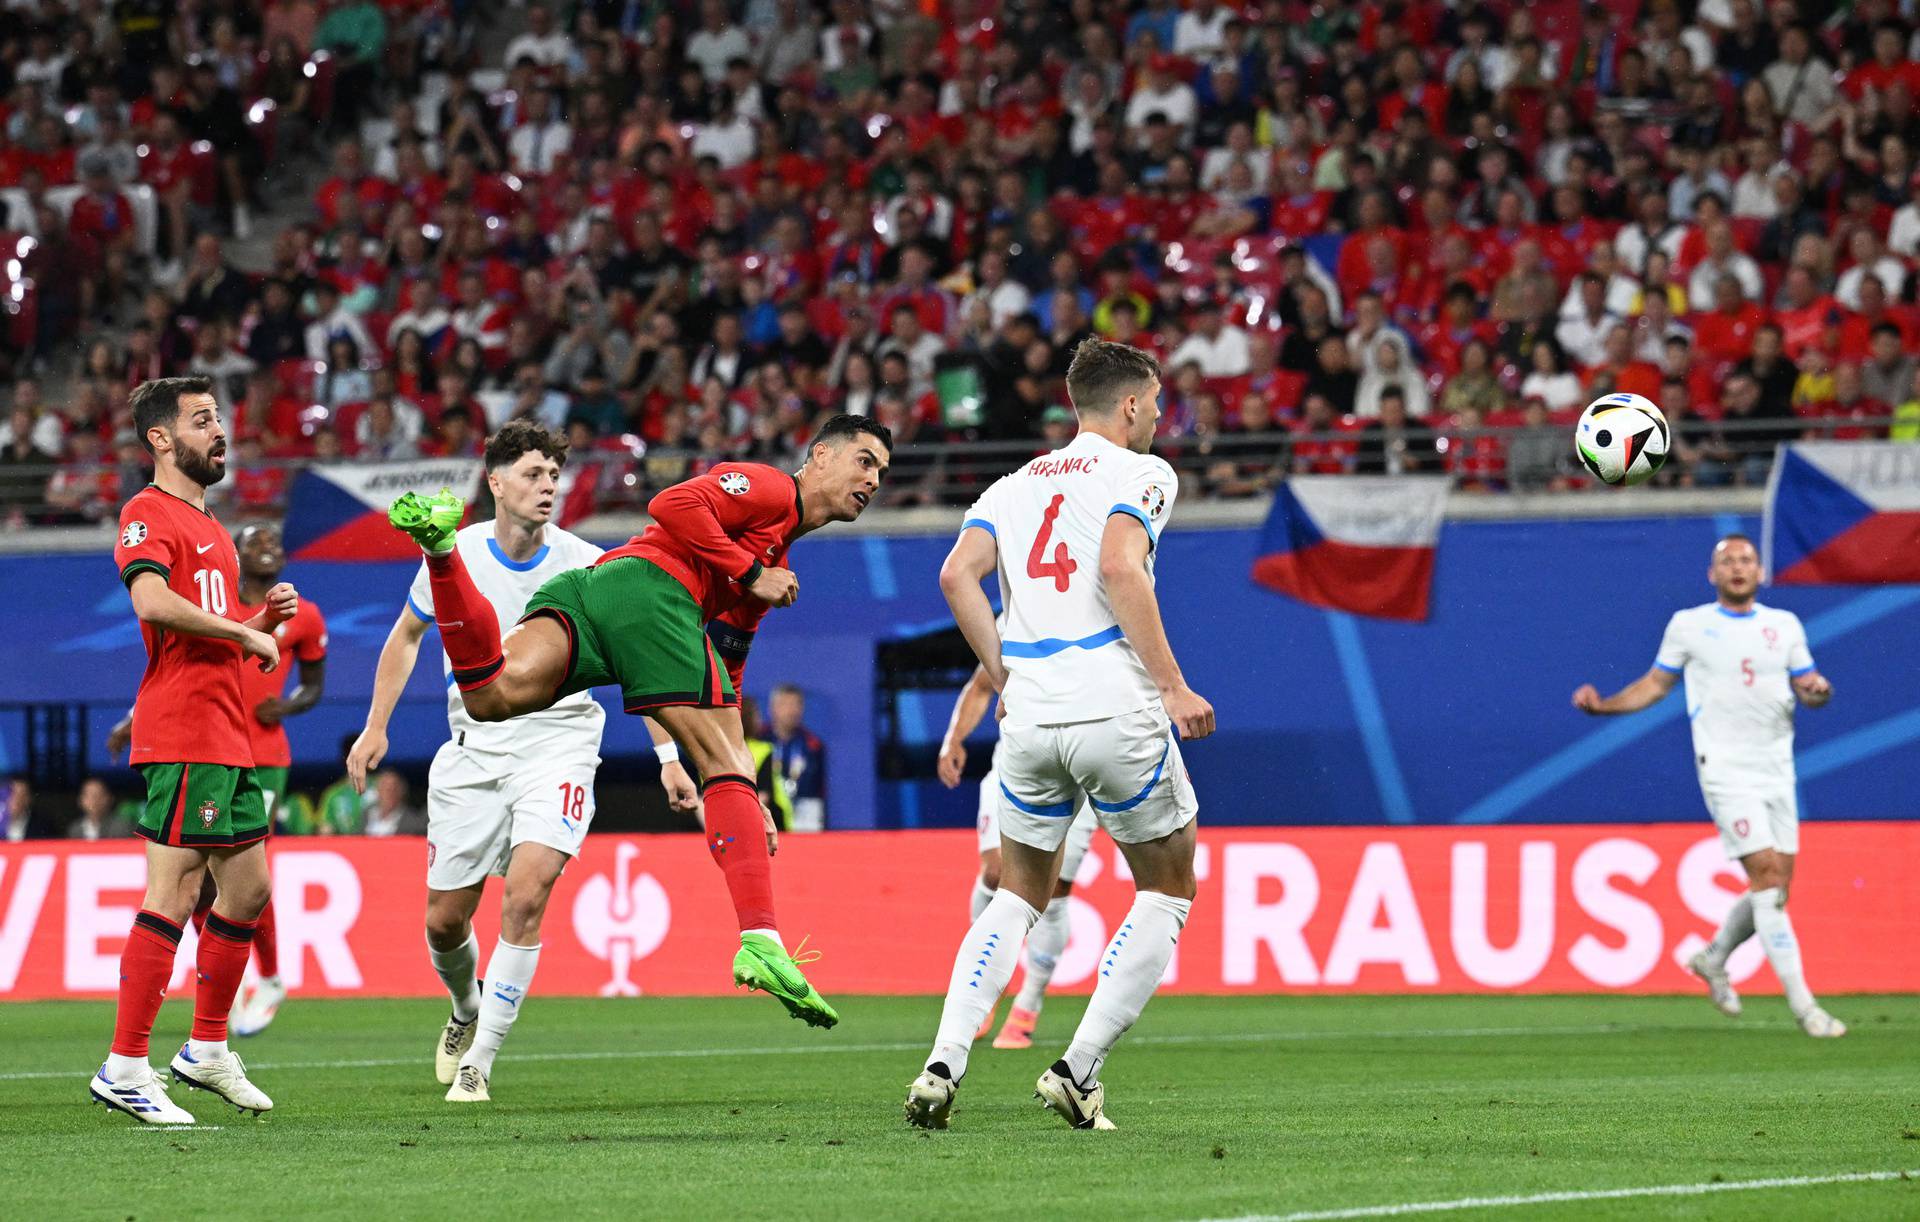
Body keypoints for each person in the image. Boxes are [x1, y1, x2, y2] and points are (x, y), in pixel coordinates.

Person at [380, 414, 892, 1031]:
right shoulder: (772, 489)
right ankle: (761, 939)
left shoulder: (774, 548)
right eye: (864, 460)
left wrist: (735, 787)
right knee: (728, 764)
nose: (874, 479)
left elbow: (726, 665)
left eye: (883, 472)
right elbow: (672, 503)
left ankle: (442, 557)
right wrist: (752, 577)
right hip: (654, 588)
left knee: (490, 693)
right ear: (819, 457)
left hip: (596, 589)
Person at [906, 339, 1213, 1131]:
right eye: (1155, 402)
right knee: (1167, 886)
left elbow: (954, 575)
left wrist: (1006, 673)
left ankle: (943, 1061)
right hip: (1113, 707)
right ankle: (1077, 1071)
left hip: (1032, 720)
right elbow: (1120, 566)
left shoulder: (1013, 484)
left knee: (1015, 893)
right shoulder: (1142, 473)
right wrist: (1174, 685)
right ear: (1134, 404)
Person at [347, 421, 615, 1103]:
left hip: (559, 743)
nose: (548, 485)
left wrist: (671, 755)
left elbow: (636, 655)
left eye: (555, 474)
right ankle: (465, 1010)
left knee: (527, 896)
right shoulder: (453, 553)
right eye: (532, 473)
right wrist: (375, 726)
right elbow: (407, 637)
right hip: (474, 748)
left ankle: (480, 1065)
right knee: (444, 921)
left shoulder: (585, 563)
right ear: (495, 483)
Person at [92, 377, 293, 1125]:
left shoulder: (210, 523)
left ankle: (207, 1049)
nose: (221, 431)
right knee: (174, 896)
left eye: (221, 418)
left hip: (225, 735)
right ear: (161, 440)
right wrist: (245, 632)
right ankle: (124, 1066)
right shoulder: (149, 512)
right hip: (182, 733)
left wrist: (254, 614)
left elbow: (203, 629)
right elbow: (149, 602)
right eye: (202, 420)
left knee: (247, 893)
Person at [1571, 535, 1844, 1038]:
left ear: (1760, 573)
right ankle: (1807, 1009)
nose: (1738, 568)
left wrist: (1817, 693)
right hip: (1724, 766)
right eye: (1727, 561)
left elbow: (1809, 688)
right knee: (1766, 879)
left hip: (1776, 767)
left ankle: (1714, 958)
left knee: (1777, 887)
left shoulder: (1782, 627)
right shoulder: (1689, 625)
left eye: (1746, 560)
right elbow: (1656, 683)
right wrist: (1604, 705)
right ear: (1711, 575)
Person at [938, 663, 1099, 1051]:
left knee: (1054, 889)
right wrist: (954, 739)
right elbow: (980, 685)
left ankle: (1028, 1004)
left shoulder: (1105, 610)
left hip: (1081, 768)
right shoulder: (1015, 612)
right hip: (1016, 762)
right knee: (996, 874)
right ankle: (985, 981)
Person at [768, 683, 827, 831]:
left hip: (805, 811)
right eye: (785, 705)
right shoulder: (760, 740)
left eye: (796, 705)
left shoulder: (813, 744)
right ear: (772, 708)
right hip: (769, 809)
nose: (791, 711)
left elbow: (819, 788)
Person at [68, 777, 135, 840]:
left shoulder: (122, 826)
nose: (94, 800)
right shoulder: (75, 829)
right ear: (80, 800)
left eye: (98, 795)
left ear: (110, 798)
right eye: (88, 795)